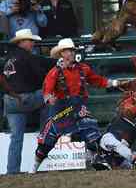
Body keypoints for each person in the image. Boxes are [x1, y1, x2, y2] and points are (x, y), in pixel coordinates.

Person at [30, 38, 125, 173]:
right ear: (62, 53)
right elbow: (47, 89)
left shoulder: (83, 69)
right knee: (48, 140)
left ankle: (96, 160)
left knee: (91, 132)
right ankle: (33, 169)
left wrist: (116, 83)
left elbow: (98, 81)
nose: (71, 53)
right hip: (62, 109)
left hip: (79, 107)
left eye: (72, 50)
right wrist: (48, 98)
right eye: (68, 51)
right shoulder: (54, 72)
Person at [3, 29, 55, 174]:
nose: (32, 43)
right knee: (50, 94)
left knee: (16, 138)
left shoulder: (8, 58)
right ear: (22, 42)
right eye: (30, 40)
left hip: (10, 101)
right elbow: (41, 77)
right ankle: (46, 129)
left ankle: (12, 171)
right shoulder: (28, 57)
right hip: (26, 99)